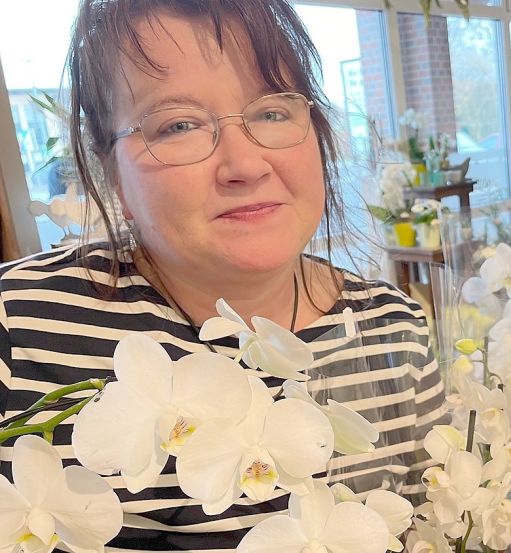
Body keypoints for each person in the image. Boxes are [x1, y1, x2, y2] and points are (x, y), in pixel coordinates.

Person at [0, 0, 445, 549]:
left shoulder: (389, 326)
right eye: (178, 125)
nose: (245, 165)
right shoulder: (17, 324)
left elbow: (432, 530)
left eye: (271, 113)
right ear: (111, 172)